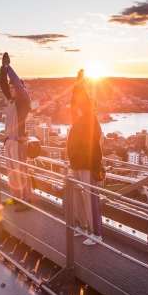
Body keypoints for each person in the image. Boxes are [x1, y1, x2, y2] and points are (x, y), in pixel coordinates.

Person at [66, 69, 103, 246]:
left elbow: (83, 104)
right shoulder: (78, 121)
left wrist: (82, 88)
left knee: (90, 199)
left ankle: (96, 234)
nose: (81, 108)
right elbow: (74, 104)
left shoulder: (92, 121)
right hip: (75, 164)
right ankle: (81, 226)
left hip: (87, 165)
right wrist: (77, 87)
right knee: (78, 198)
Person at [0, 52, 32, 212]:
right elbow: (3, 85)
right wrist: (2, 70)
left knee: (21, 171)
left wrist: (9, 69)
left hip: (18, 141)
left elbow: (17, 84)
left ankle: (26, 199)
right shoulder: (12, 100)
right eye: (10, 88)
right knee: (11, 172)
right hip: (8, 141)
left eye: (14, 88)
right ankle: (16, 197)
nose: (11, 89)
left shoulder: (23, 101)